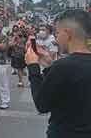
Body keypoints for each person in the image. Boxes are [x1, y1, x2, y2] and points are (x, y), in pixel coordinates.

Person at [25, 9, 91, 138]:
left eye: (57, 33)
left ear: (68, 33)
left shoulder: (63, 67)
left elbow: (42, 105)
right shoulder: (63, 67)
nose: (56, 38)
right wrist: (49, 65)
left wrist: (33, 67)